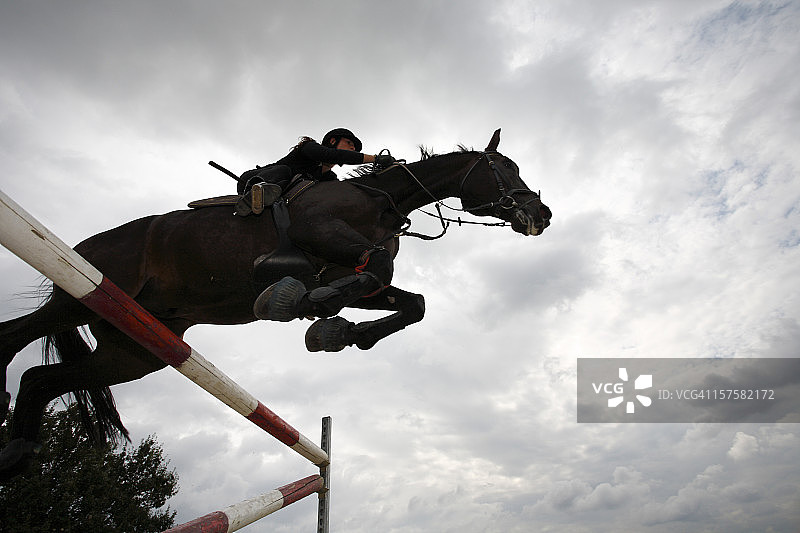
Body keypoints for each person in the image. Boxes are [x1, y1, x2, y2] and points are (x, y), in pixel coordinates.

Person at [238, 128, 395, 204]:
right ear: (333, 141)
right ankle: (256, 194)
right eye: (349, 143)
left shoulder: (329, 179)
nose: (353, 148)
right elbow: (336, 156)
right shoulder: (309, 148)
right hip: (252, 180)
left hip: (280, 201)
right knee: (284, 171)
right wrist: (375, 159)